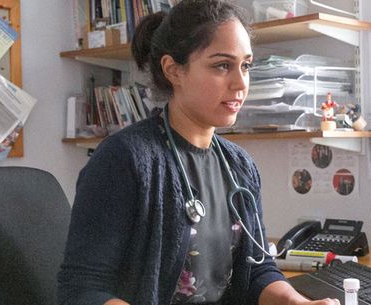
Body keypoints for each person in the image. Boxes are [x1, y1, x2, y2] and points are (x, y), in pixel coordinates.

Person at [57, 1, 337, 304]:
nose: (240, 83)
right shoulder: (124, 159)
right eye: (222, 65)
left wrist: (298, 303)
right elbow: (81, 290)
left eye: (245, 65)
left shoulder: (240, 166)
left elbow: (259, 269)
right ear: (174, 70)